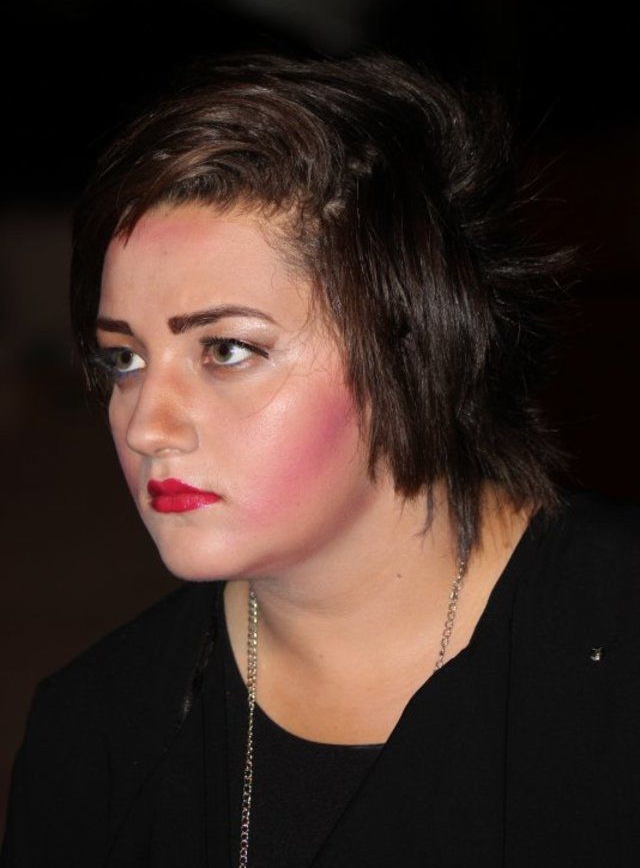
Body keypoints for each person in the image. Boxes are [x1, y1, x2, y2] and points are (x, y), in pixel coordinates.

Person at [2, 53, 639, 867]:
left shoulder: (614, 650)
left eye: (226, 349)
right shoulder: (94, 737)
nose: (145, 426)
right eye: (124, 359)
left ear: (412, 346)